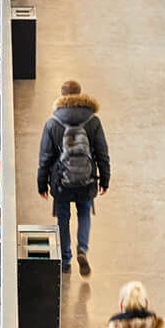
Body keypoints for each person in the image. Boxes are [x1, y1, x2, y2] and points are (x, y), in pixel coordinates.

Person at [37, 80, 111, 276]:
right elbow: (102, 152)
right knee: (84, 213)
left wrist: (41, 184)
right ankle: (82, 250)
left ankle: (66, 259)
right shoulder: (93, 121)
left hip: (61, 181)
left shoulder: (53, 122)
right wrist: (105, 179)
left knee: (63, 217)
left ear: (61, 97)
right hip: (86, 179)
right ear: (80, 95)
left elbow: (45, 157)